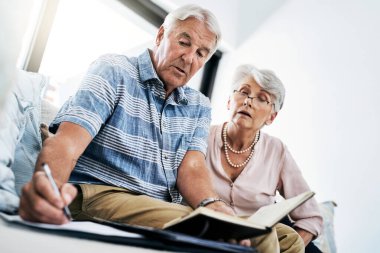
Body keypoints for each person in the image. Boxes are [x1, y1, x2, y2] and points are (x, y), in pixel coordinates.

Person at [17, 4, 291, 253]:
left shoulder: (198, 105)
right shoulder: (114, 70)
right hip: (100, 192)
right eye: (184, 42)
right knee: (261, 240)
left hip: (157, 205)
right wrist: (48, 187)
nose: (189, 58)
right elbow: (68, 141)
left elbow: (192, 167)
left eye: (201, 54)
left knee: (286, 238)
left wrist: (212, 205)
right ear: (161, 36)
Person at [205, 64, 324, 252]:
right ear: (229, 101)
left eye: (262, 99)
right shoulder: (202, 137)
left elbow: (311, 217)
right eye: (243, 92)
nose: (248, 102)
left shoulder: (277, 151)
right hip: (210, 233)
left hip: (260, 240)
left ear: (271, 117)